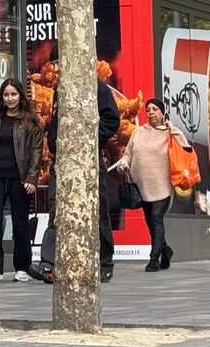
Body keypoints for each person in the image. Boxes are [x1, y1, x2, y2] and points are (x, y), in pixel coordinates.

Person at [44, 45, 121, 282]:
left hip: (88, 158)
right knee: (56, 209)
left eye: (57, 63)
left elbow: (112, 118)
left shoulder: (96, 86)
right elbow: (55, 122)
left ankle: (104, 261)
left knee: (97, 208)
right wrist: (55, 143)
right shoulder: (59, 90)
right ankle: (50, 262)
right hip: (63, 160)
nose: (56, 69)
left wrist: (90, 141)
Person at [0, 78, 45, 282]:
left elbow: (36, 152)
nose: (10, 98)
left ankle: (22, 267)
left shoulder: (31, 122)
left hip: (20, 178)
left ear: (21, 95)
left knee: (20, 222)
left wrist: (32, 177)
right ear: (2, 98)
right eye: (6, 95)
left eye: (14, 94)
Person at [117, 98, 189, 272]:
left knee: (156, 218)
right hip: (141, 186)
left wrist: (174, 129)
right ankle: (165, 250)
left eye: (155, 109)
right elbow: (128, 154)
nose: (150, 112)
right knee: (151, 222)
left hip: (162, 186)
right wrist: (123, 164)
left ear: (162, 113)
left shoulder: (169, 133)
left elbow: (186, 147)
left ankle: (154, 259)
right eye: (148, 109)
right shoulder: (138, 132)